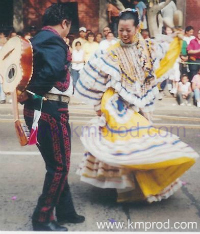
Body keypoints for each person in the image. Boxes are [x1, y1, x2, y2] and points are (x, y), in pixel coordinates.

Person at [75, 9, 198, 203]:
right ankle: (124, 188)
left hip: (137, 103)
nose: (123, 34)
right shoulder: (110, 52)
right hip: (115, 105)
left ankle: (133, 187)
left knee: (139, 141)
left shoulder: (148, 48)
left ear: (137, 28)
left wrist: (176, 35)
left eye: (127, 30)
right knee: (127, 140)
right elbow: (97, 80)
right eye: (120, 30)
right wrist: (98, 107)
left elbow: (165, 52)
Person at [23, 4, 85, 231]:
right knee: (59, 166)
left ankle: (65, 210)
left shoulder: (37, 38)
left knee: (56, 163)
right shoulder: (54, 40)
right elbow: (52, 71)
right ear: (65, 22)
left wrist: (28, 94)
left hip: (41, 108)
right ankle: (42, 217)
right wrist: (31, 92)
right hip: (49, 108)